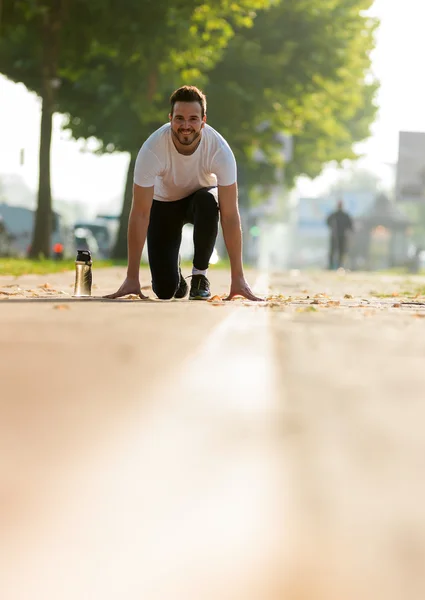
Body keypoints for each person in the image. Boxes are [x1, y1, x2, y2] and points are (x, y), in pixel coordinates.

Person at [105, 86, 262, 302]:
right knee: (166, 291)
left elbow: (230, 215)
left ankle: (199, 277)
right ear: (170, 118)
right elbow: (140, 213)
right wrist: (132, 277)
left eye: (193, 119)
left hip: (201, 201)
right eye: (179, 118)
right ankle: (175, 275)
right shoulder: (152, 149)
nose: (185, 126)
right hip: (165, 205)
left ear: (203, 121)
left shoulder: (220, 150)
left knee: (207, 200)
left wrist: (238, 278)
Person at [326, 199, 353, 270]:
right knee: (333, 251)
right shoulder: (333, 215)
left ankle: (339, 266)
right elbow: (328, 222)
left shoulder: (345, 215)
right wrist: (332, 227)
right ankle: (331, 266)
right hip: (334, 236)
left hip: (342, 236)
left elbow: (350, 226)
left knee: (341, 252)